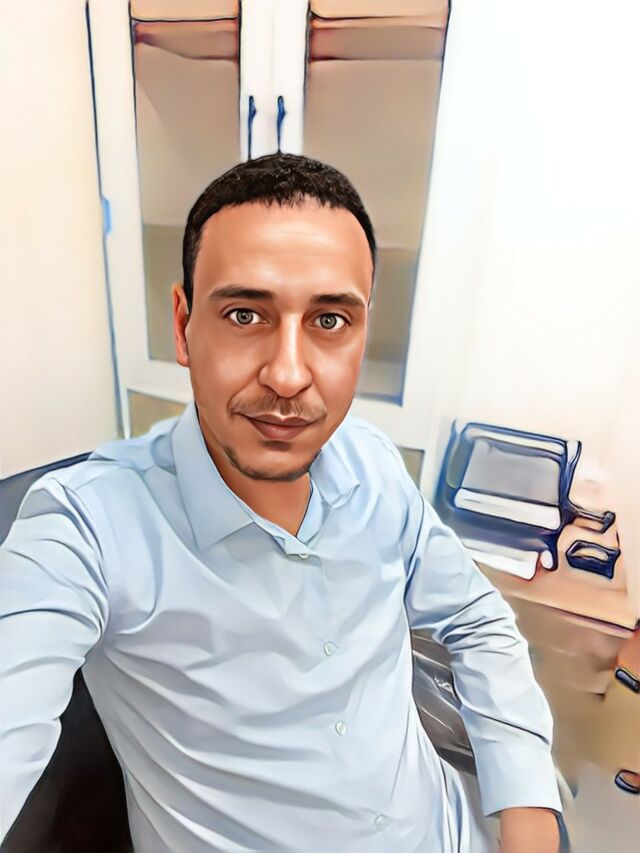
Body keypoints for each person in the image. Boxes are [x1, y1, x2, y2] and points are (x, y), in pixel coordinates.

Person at [0, 153, 563, 852]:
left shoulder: (372, 464)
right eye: (245, 314)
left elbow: (476, 618)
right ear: (182, 326)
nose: (289, 375)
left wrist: (527, 809)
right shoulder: (84, 527)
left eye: (329, 319)